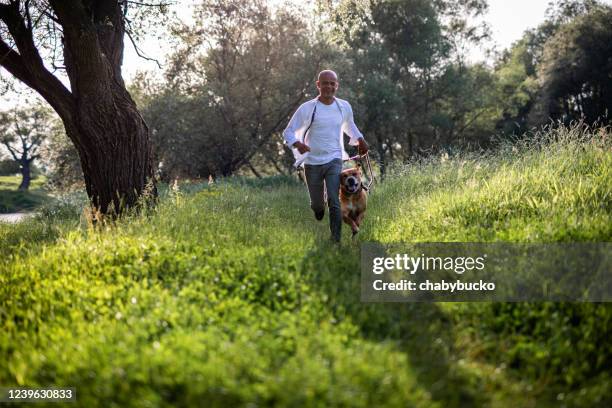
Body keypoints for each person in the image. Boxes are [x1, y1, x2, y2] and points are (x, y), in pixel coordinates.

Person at [283, 70, 369, 242]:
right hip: (312, 162)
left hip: (334, 159)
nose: (329, 86)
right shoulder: (307, 108)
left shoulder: (343, 106)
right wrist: (298, 144)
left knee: (334, 200)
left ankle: (335, 240)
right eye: (325, 83)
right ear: (318, 85)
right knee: (317, 204)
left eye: (332, 83)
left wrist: (360, 139)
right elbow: (288, 131)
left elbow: (349, 125)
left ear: (336, 85)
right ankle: (318, 209)